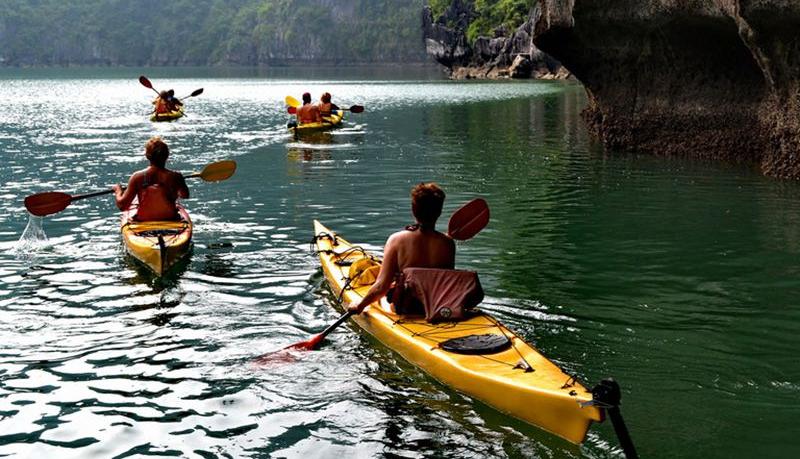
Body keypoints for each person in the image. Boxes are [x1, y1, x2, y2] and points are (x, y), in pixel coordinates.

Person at [348, 183, 455, 314]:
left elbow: (381, 286)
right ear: (439, 212)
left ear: (413, 210)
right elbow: (446, 283)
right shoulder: (448, 243)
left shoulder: (396, 240)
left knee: (383, 295)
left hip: (407, 308)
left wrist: (360, 305)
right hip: (437, 306)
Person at [113, 137, 189, 221]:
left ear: (147, 156)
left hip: (144, 220)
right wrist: (177, 185)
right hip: (170, 218)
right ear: (167, 155)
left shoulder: (137, 177)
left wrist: (118, 190)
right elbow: (184, 195)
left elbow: (122, 206)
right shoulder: (176, 176)